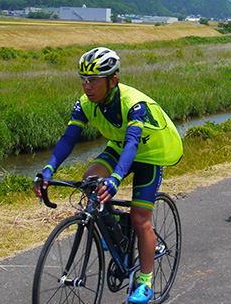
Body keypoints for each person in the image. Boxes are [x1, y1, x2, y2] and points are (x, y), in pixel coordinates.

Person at [33, 47, 183, 304]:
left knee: (140, 217)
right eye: (83, 79)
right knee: (90, 182)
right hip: (119, 145)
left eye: (93, 80)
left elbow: (134, 143)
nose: (87, 86)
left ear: (113, 80)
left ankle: (145, 283)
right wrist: (48, 169)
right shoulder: (84, 103)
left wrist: (115, 179)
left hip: (151, 152)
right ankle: (115, 228)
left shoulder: (133, 104)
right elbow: (69, 138)